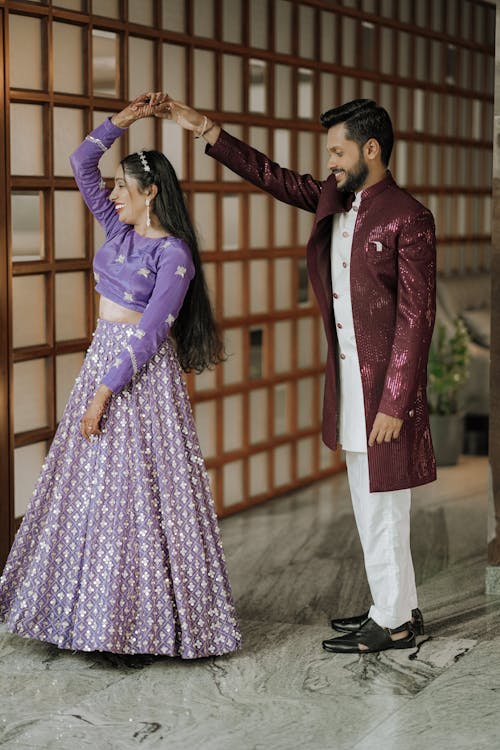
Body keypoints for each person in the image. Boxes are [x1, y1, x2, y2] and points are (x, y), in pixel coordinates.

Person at [159, 97, 436, 654]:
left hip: (383, 390)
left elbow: (416, 319)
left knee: (383, 504)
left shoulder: (409, 216)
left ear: (371, 149)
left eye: (338, 150)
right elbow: (274, 178)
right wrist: (208, 130)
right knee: (370, 499)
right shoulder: (336, 199)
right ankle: (397, 605)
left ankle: (394, 622)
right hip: (350, 382)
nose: (330, 161)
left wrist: (394, 402)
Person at [0, 93, 241, 661]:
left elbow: (155, 330)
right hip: (100, 361)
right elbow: (80, 163)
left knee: (138, 501)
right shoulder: (117, 231)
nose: (111, 195)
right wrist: (123, 122)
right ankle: (83, 615)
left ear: (150, 193)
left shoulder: (172, 253)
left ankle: (139, 625)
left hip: (138, 376)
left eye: (123, 188)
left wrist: (105, 390)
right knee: (89, 496)